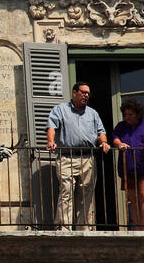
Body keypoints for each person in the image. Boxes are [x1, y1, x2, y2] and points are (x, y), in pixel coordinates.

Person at [46, 82, 109, 230]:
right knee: (66, 191)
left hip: (87, 158)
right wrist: (50, 141)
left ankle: (84, 227)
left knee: (86, 193)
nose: (86, 95)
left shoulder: (93, 113)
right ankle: (64, 227)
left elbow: (101, 132)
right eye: (83, 92)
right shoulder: (60, 110)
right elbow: (51, 126)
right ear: (74, 93)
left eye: (88, 93)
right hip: (66, 156)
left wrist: (104, 142)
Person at [111, 97, 144, 231]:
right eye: (126, 114)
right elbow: (115, 139)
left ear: (138, 113)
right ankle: (139, 228)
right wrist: (120, 144)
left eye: (131, 114)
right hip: (128, 168)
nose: (127, 117)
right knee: (133, 200)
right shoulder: (121, 126)